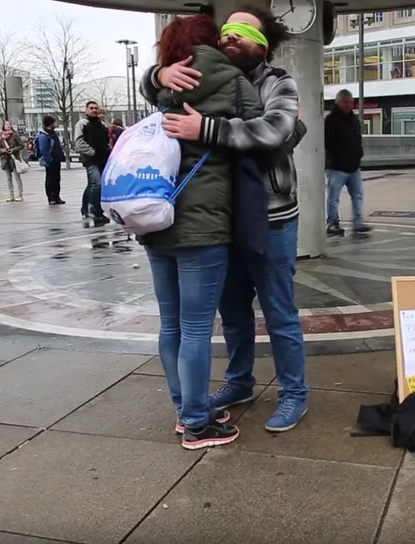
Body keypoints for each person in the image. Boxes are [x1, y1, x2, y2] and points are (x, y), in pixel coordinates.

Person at [148, 4, 310, 433]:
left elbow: (277, 130)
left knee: (280, 312)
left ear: (264, 46)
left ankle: (294, 393)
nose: (231, 37)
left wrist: (208, 130)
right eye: (227, 31)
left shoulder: (278, 82)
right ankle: (240, 382)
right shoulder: (203, 73)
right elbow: (160, 90)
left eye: (245, 32)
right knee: (233, 312)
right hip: (221, 219)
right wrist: (157, 75)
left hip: (271, 216)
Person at [137, 14, 263, 450]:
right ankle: (196, 422)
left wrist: (155, 73)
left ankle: (185, 410)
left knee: (171, 324)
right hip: (203, 227)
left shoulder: (165, 82)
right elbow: (273, 134)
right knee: (195, 328)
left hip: (156, 220)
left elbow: (147, 87)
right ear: (212, 42)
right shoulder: (233, 80)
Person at [324, 89, 370, 236]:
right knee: (334, 197)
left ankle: (358, 222)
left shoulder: (353, 119)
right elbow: (326, 142)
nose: (349, 105)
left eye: (350, 102)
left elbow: (358, 138)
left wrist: (358, 154)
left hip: (353, 166)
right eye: (346, 102)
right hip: (336, 167)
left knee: (357, 195)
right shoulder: (330, 120)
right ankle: (332, 223)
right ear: (338, 102)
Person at [73, 101, 110, 226]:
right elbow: (79, 142)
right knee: (96, 184)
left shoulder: (102, 125)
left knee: (92, 184)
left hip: (102, 159)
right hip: (91, 160)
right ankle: (94, 210)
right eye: (91, 108)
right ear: (86, 110)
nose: (94, 110)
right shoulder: (82, 124)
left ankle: (87, 208)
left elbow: (106, 141)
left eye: (96, 108)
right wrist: (92, 152)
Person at [37, 116, 66, 205]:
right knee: (50, 179)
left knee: (57, 179)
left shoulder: (53, 133)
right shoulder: (44, 135)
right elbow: (43, 149)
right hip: (51, 161)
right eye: (55, 122)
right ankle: (51, 198)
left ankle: (57, 196)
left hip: (57, 160)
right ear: (50, 123)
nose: (56, 124)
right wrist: (49, 160)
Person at [0, 120, 25, 202]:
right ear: (3, 126)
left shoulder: (15, 135)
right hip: (5, 159)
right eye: (6, 124)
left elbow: (22, 145)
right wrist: (3, 150)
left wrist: (13, 150)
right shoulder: (1, 137)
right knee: (8, 178)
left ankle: (20, 195)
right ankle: (11, 195)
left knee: (17, 178)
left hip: (14, 158)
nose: (8, 125)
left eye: (9, 124)